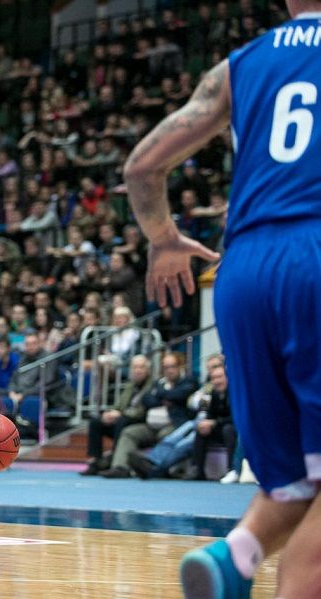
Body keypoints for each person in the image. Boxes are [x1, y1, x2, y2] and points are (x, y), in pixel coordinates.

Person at [124, 5, 321, 596]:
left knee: (292, 481)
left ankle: (234, 558)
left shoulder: (238, 66)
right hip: (315, 252)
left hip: (244, 268)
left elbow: (141, 166)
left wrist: (163, 240)